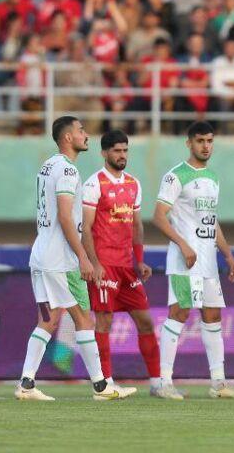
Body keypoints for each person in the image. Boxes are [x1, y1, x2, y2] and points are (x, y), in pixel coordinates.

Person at [16, 116, 134, 401]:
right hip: (60, 260)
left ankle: (26, 384)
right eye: (81, 130)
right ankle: (101, 386)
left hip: (41, 256)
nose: (86, 135)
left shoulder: (48, 166)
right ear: (68, 137)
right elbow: (65, 216)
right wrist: (83, 257)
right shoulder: (68, 170)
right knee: (83, 319)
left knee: (48, 320)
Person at [151, 121, 234, 400]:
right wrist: (183, 244)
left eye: (209, 141)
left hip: (208, 261)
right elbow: (158, 216)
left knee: (213, 315)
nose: (206, 146)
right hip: (185, 260)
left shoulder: (213, 177)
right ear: (189, 143)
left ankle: (218, 383)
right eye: (200, 141)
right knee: (179, 313)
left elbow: (211, 221)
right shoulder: (176, 176)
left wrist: (227, 254)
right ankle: (163, 382)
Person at [80, 130, 163, 395]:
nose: (122, 155)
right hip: (105, 265)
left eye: (125, 150)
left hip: (128, 267)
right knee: (103, 323)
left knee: (146, 321)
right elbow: (86, 228)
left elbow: (137, 226)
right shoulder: (94, 184)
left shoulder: (133, 184)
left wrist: (140, 260)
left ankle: (158, 383)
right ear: (104, 153)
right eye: (117, 150)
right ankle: (105, 383)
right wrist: (94, 263)